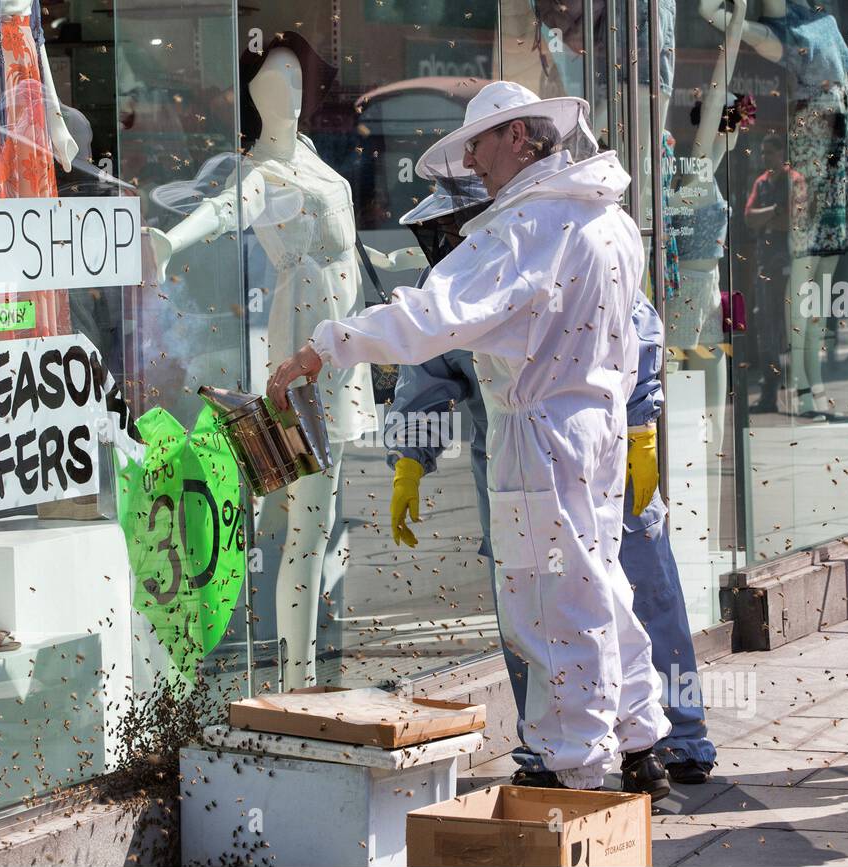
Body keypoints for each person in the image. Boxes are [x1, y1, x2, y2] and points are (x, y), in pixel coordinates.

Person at [268, 81, 671, 792]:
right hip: (595, 425)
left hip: (541, 432)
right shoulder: (607, 220)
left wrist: (324, 344)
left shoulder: (532, 226)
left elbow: (431, 316)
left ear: (519, 136)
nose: (475, 163)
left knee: (549, 601)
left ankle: (576, 768)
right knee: (602, 584)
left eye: (479, 144)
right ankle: (639, 743)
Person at [387, 182, 715, 787]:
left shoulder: (568, 250)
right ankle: (557, 750)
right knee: (538, 617)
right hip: (522, 475)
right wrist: (411, 459)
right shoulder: (461, 289)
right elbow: (427, 376)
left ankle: (674, 737)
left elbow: (637, 332)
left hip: (608, 456)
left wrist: (643, 427)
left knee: (637, 594)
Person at [743, 134, 804, 413]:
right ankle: (770, 390)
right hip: (766, 257)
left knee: (784, 326)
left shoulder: (794, 180)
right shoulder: (762, 182)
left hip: (786, 258)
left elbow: (792, 219)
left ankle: (790, 387)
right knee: (766, 323)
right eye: (763, 153)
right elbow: (748, 217)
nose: (766, 158)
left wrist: (767, 215)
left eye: (770, 153)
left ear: (782, 154)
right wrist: (773, 211)